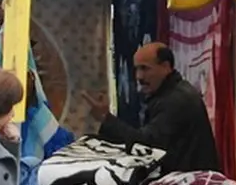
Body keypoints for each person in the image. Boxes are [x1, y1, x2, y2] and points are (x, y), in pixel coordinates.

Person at [85, 42, 220, 175]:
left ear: (166, 67)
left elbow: (146, 145)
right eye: (136, 69)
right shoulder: (167, 94)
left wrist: (106, 118)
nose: (139, 77)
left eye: (145, 68)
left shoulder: (177, 100)